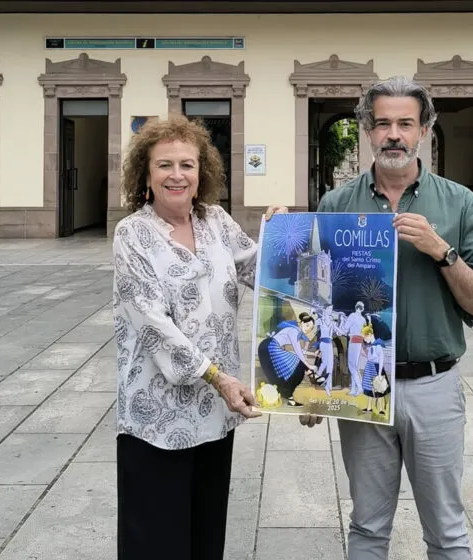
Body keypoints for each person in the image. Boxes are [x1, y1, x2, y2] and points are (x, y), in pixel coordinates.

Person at [299, 76, 473, 560]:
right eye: (383, 123)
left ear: (425, 130)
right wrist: (314, 386)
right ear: (368, 131)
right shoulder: (336, 205)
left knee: (448, 533)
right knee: (368, 529)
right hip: (361, 383)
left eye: (406, 124)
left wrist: (441, 251)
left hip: (433, 386)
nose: (394, 134)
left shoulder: (459, 203)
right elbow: (319, 303)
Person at [112, 114, 285, 560]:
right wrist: (218, 377)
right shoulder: (132, 234)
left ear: (201, 172)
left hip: (214, 414)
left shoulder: (216, 222)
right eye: (164, 165)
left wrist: (284, 235)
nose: (177, 175)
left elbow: (262, 273)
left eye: (187, 165)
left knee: (206, 537)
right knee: (157, 543)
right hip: (157, 418)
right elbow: (153, 324)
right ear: (145, 175)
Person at [257, 310, 319, 406]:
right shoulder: (294, 331)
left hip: (268, 347)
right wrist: (309, 365)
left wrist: (312, 354)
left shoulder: (295, 332)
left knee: (292, 367)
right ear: (301, 323)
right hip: (270, 347)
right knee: (298, 368)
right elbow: (298, 352)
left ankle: (288, 394)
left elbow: (298, 351)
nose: (307, 330)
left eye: (310, 328)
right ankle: (290, 394)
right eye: (307, 326)